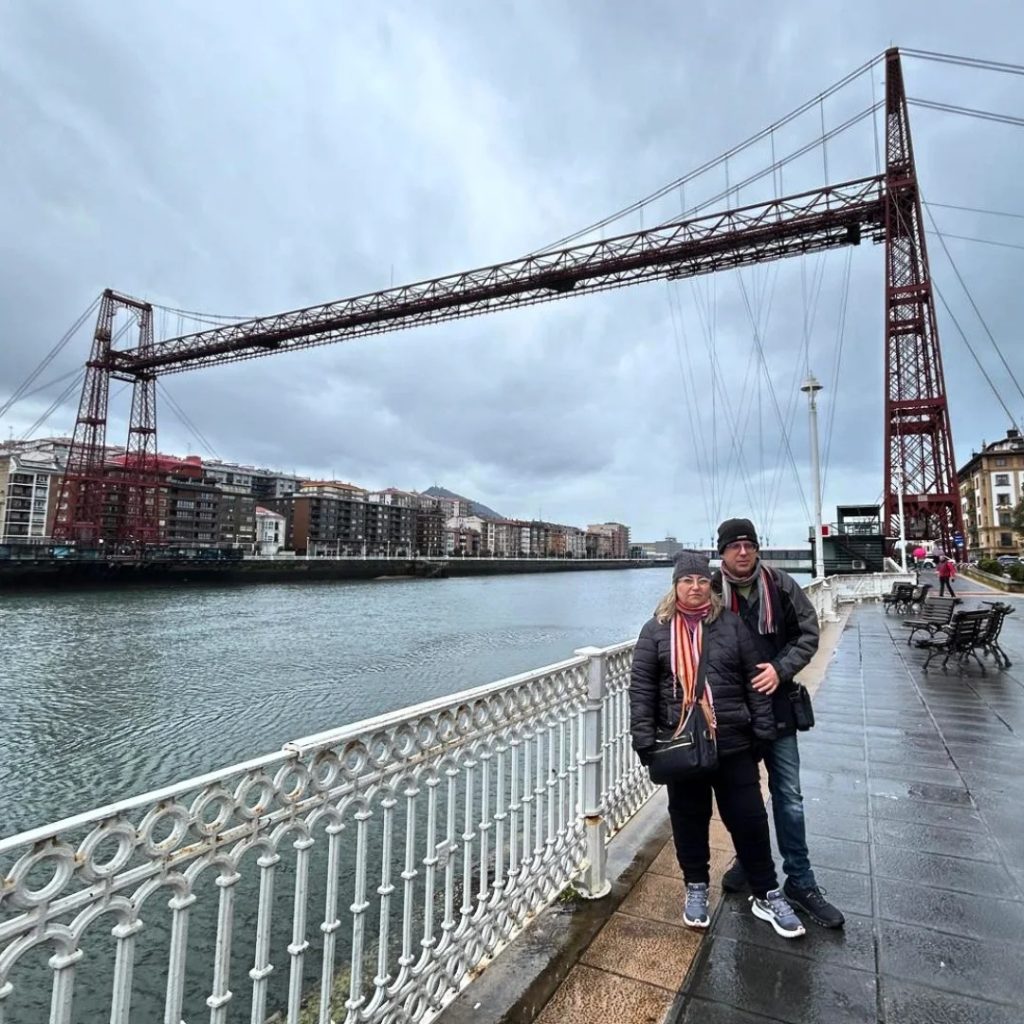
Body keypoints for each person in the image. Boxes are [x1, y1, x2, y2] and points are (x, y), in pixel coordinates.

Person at [630, 550, 806, 939]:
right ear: (675, 586)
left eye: (702, 582)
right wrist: (644, 740)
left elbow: (753, 679)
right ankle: (695, 887)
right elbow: (642, 690)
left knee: (749, 819)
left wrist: (760, 732)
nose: (695, 588)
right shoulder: (655, 630)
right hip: (680, 743)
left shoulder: (729, 625)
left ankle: (766, 892)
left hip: (733, 742)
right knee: (689, 818)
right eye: (687, 581)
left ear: (712, 587)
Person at [713, 518, 845, 929]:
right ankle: (750, 863)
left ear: (757, 548)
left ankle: (801, 882)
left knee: (789, 795)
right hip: (735, 715)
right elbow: (684, 636)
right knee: (742, 799)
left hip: (779, 707)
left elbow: (808, 634)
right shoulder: (710, 593)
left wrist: (779, 668)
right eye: (733, 545)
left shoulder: (783, 586)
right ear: (722, 553)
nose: (742, 551)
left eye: (748, 544)